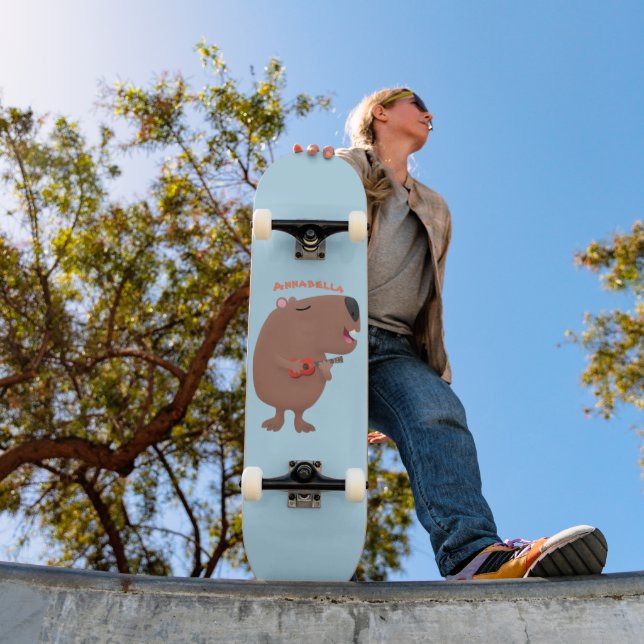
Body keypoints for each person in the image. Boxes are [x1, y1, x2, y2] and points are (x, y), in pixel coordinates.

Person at [293, 87, 608, 580]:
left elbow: (428, 296)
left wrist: (415, 383)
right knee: (316, 455)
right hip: (328, 337)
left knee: (438, 411)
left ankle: (473, 557)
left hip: (394, 349)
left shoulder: (436, 207)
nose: (428, 113)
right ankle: (307, 558)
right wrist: (308, 179)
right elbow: (295, 232)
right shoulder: (342, 168)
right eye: (415, 104)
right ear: (381, 112)